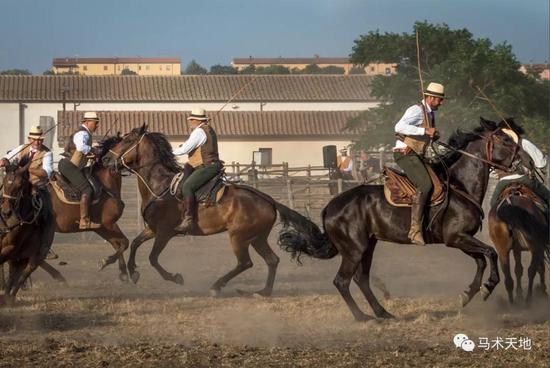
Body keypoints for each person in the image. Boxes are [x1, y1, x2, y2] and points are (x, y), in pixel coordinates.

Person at [393, 82, 445, 245]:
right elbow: (399, 126)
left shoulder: (430, 114)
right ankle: (415, 231)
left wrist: (432, 135)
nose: (441, 103)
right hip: (405, 155)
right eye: (439, 100)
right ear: (430, 98)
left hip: (417, 155)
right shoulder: (416, 110)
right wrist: (424, 131)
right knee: (426, 185)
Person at [0, 126, 55, 258]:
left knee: (46, 211)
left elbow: (46, 172)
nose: (37, 142)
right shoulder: (22, 148)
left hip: (36, 185)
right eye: (34, 139)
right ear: (29, 139)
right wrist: (3, 161)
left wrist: (28, 170)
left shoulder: (47, 153)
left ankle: (44, 245)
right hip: (17, 184)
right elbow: (6, 157)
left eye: (40, 140)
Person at [173, 108, 222, 232]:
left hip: (207, 166)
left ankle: (188, 219)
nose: (189, 122)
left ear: (196, 120)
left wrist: (167, 153)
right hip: (205, 165)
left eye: (191, 120)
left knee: (187, 187)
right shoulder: (205, 129)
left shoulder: (199, 132)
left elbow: (184, 149)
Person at [490, 120, 549, 209]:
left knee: (493, 205)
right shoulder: (524, 142)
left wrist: (503, 175)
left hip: (503, 182)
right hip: (525, 179)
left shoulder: (497, 148)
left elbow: (492, 174)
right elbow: (541, 163)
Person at [58, 111, 102, 229]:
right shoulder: (83, 133)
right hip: (69, 166)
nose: (97, 125)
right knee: (87, 189)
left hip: (68, 165)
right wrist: (95, 150)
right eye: (95, 123)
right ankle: (84, 221)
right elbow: (81, 147)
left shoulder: (85, 133)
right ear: (87, 122)